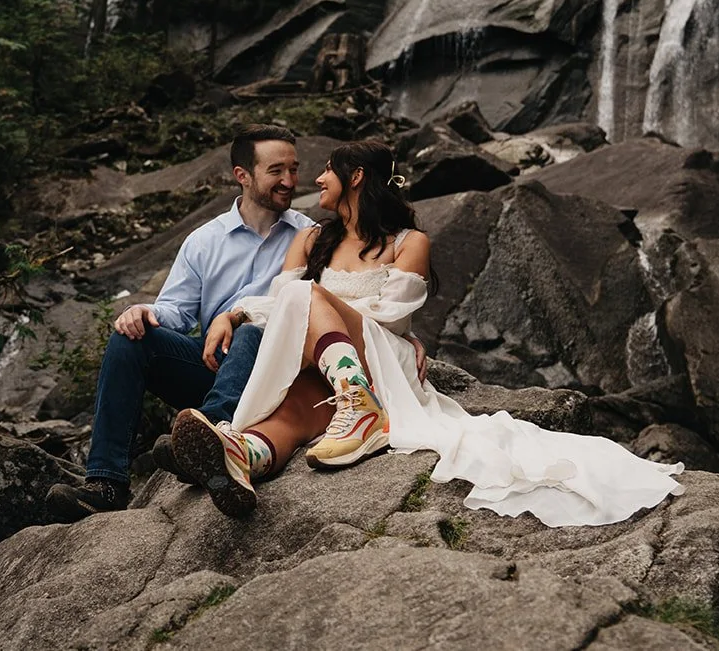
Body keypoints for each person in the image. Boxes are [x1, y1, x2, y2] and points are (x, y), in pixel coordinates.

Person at [168, 139, 686, 526]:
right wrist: (232, 315)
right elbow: (276, 302)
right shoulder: (308, 240)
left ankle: (358, 402)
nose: (316, 179)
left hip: (380, 360)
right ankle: (243, 457)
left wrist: (326, 307)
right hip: (326, 360)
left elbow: (395, 311)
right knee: (291, 413)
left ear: (356, 177)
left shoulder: (408, 242)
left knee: (305, 298)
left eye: (327, 170)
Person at [46, 124, 314, 520]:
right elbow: (177, 309)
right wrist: (144, 312)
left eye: (293, 169)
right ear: (242, 175)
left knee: (251, 330)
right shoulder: (204, 241)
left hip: (277, 373)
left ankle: (211, 441)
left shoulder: (309, 235)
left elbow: (321, 305)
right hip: (215, 366)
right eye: (276, 171)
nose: (289, 181)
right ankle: (106, 484)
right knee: (129, 339)